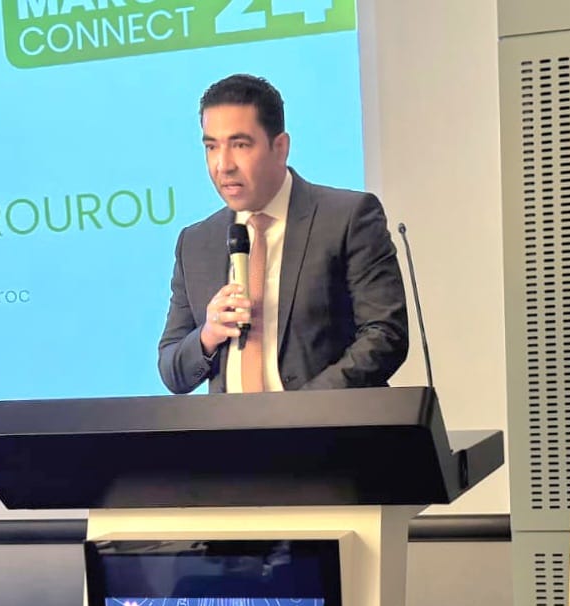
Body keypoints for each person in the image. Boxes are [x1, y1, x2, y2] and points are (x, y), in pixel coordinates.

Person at [157, 74, 409, 394]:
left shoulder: (346, 218)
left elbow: (385, 334)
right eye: (211, 147)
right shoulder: (196, 242)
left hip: (328, 423)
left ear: (280, 147)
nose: (223, 165)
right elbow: (172, 371)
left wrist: (299, 411)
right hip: (232, 426)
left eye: (240, 145)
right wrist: (208, 335)